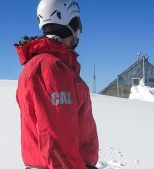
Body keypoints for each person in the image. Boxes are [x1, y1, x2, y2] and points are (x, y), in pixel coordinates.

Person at [15, 0, 99, 169]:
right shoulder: (49, 68)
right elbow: (55, 139)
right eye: (78, 24)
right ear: (71, 23)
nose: (79, 32)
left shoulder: (56, 66)